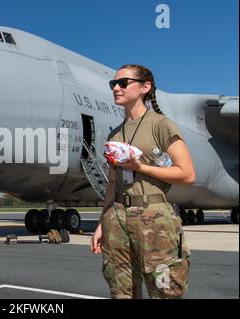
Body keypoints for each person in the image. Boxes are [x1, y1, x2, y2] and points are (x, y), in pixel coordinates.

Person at [90, 64, 196, 299]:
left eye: (123, 83)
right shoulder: (115, 134)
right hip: (116, 217)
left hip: (154, 216)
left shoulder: (160, 124)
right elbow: (112, 183)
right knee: (121, 290)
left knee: (163, 289)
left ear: (145, 87)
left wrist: (141, 168)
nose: (116, 88)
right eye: (113, 84)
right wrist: (102, 223)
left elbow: (187, 173)